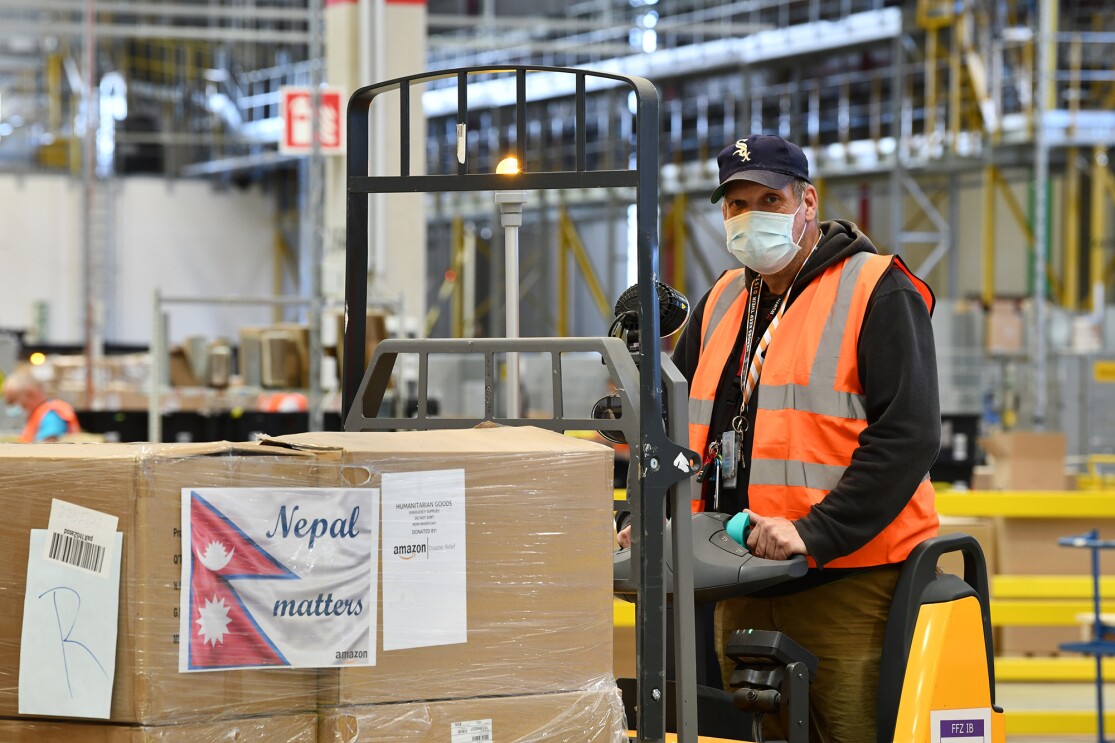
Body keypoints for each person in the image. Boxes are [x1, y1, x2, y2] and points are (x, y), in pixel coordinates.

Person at [619, 134, 940, 742]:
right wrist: (652, 511)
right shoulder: (720, 302)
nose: (749, 217)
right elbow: (685, 433)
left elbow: (908, 437)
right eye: (736, 206)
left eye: (768, 198)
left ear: (807, 202)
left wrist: (813, 532)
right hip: (735, 575)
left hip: (845, 582)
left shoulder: (877, 288)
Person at [2, 367, 81, 442]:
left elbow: (49, 445)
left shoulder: (51, 415)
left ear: (30, 393)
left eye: (14, 401)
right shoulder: (39, 414)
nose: (15, 406)